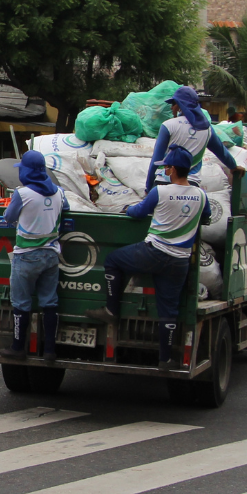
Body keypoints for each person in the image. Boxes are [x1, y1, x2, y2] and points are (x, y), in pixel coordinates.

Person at [85, 145, 211, 371]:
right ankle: (165, 359)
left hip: (154, 252)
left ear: (172, 169)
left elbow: (139, 212)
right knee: (169, 310)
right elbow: (208, 218)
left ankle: (112, 310)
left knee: (113, 260)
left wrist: (127, 209)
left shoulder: (160, 191)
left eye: (167, 167)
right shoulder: (200, 195)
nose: (165, 171)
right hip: (179, 261)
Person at [0, 150, 69, 362]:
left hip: (26, 256)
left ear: (27, 171)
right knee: (50, 302)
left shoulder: (22, 194)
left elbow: (8, 217)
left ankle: (18, 347)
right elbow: (67, 210)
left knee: (21, 303)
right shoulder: (59, 193)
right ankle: (50, 350)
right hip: (51, 256)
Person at [146, 86, 244, 191]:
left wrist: (148, 186)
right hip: (191, 184)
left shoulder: (168, 126)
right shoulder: (206, 128)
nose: (171, 108)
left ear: (180, 105)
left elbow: (156, 159)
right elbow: (221, 151)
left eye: (173, 104)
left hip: (164, 182)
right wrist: (233, 166)